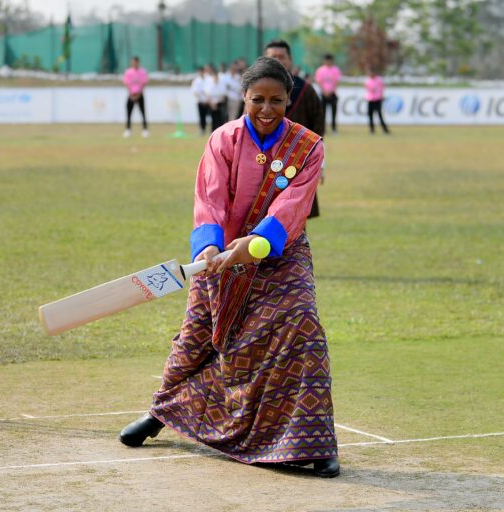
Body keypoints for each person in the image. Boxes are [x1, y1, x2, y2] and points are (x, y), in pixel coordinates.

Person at [119, 57, 340, 478]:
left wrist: (255, 245)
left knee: (303, 325)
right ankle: (161, 412)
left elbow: (293, 206)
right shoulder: (223, 139)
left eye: (277, 100)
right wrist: (209, 248)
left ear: (288, 100)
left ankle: (315, 442)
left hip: (281, 255)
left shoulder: (308, 147)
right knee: (195, 337)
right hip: (219, 255)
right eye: (258, 99)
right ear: (244, 97)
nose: (267, 109)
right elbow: (210, 197)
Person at [265, 39, 325, 219]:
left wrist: (320, 165)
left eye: (281, 57)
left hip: (297, 165)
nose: (277, 61)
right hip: (262, 165)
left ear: (290, 60)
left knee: (295, 219)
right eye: (272, 57)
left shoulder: (305, 90)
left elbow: (318, 130)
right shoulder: (255, 90)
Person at [122, 56, 149, 138]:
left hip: (140, 95)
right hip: (131, 95)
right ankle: (128, 129)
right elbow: (126, 83)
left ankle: (145, 130)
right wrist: (131, 94)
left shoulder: (142, 72)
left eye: (135, 62)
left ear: (138, 62)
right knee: (129, 113)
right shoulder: (128, 72)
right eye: (133, 62)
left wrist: (139, 94)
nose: (134, 63)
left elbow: (144, 83)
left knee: (143, 112)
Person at [314, 54, 341, 133]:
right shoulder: (320, 70)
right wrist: (324, 91)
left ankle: (334, 128)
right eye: (327, 60)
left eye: (329, 60)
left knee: (333, 112)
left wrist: (330, 91)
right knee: (323, 113)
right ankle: (323, 128)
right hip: (323, 94)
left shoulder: (335, 69)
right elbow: (318, 81)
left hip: (332, 94)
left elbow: (336, 81)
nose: (328, 62)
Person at [365, 69, 390, 134]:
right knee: (370, 115)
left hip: (377, 99)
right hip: (370, 99)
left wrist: (381, 95)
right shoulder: (368, 80)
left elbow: (382, 88)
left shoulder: (379, 80)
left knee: (379, 115)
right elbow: (367, 89)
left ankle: (385, 129)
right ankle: (372, 130)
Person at [203, 64, 226, 132]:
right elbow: (207, 94)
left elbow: (223, 94)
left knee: (220, 118)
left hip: (220, 103)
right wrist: (212, 104)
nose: (215, 78)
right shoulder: (209, 85)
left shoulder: (221, 84)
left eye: (216, 77)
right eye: (214, 77)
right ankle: (213, 131)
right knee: (213, 118)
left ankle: (221, 131)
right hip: (212, 104)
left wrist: (218, 101)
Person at [191, 66, 209, 136]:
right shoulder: (196, 81)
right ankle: (202, 129)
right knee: (201, 116)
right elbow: (194, 91)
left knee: (209, 116)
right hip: (200, 101)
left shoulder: (208, 79)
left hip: (208, 101)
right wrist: (200, 98)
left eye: (202, 71)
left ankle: (211, 129)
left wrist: (207, 99)